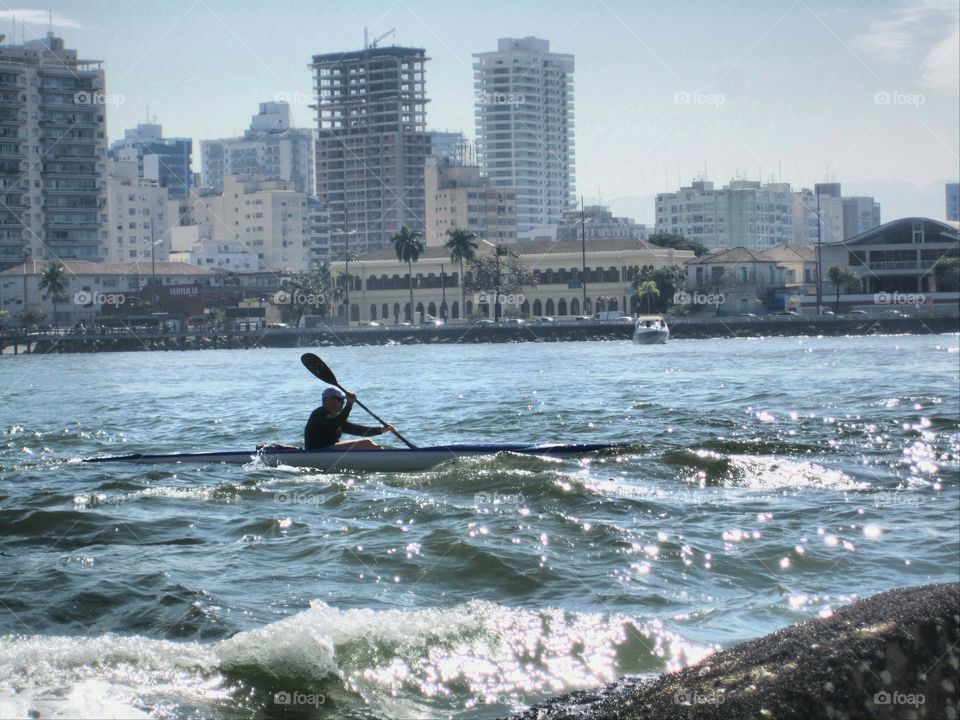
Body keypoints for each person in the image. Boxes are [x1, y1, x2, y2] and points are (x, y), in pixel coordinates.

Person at [304, 387, 393, 450]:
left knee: (366, 444)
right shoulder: (320, 413)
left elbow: (357, 430)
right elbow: (336, 423)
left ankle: (383, 454)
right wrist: (349, 404)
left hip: (328, 451)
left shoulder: (335, 418)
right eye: (341, 400)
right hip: (317, 451)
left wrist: (381, 430)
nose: (343, 403)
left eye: (344, 401)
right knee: (366, 443)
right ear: (329, 400)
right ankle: (390, 459)